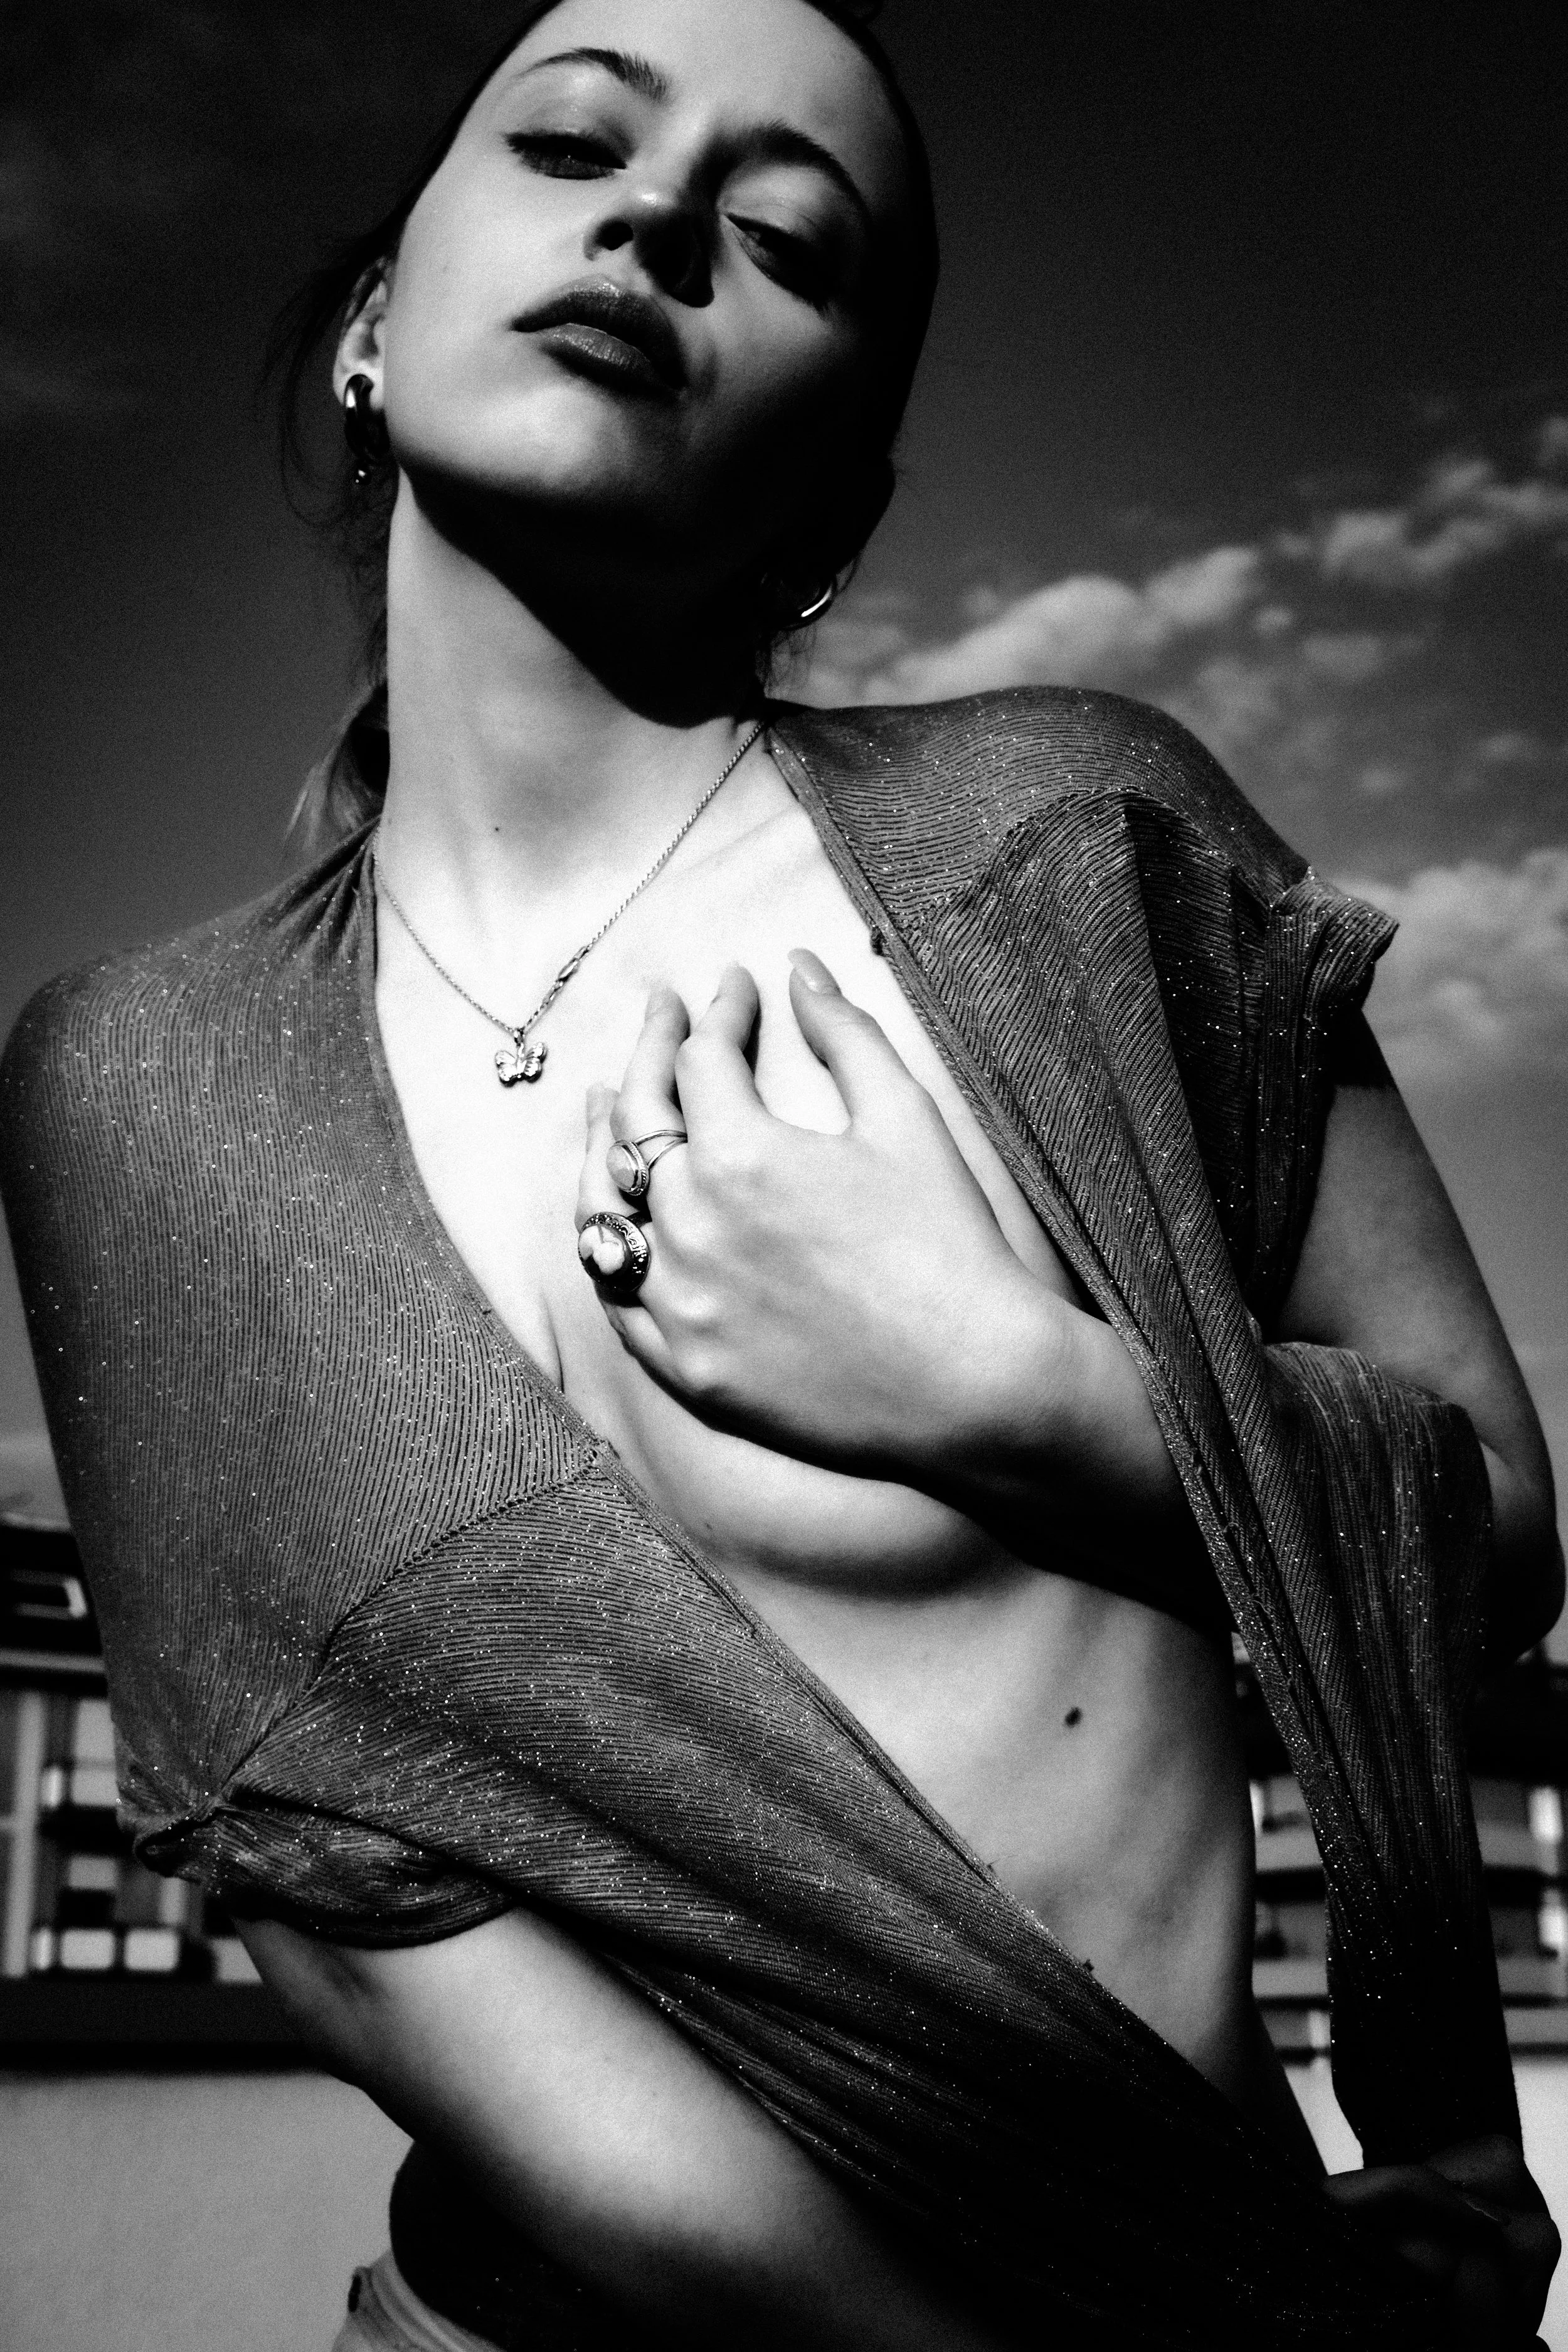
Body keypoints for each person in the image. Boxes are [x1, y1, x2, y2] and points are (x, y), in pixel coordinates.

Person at [2, 0, 1562, 2343]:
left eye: (786, 238)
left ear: (840, 489)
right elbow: (339, 1895)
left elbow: (1493, 1538)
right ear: (366, 326)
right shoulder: (139, 1080)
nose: (653, 220)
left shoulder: (1076, 843)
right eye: (568, 142)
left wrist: (997, 1388)